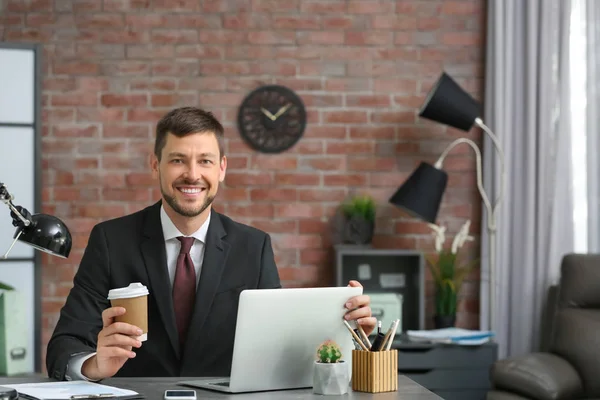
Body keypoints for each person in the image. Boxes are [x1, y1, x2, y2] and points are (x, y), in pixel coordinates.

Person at [45, 107, 376, 382]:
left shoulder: (254, 247)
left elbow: (279, 349)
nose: (192, 174)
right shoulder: (111, 241)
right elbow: (64, 346)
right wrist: (94, 366)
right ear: (155, 165)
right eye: (177, 160)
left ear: (222, 168)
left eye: (204, 161)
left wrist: (352, 335)